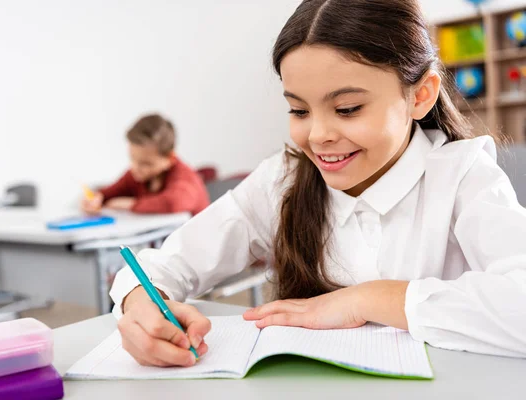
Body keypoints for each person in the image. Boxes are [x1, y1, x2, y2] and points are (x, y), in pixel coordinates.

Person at [109, 0, 526, 368]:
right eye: (299, 110)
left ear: (420, 96)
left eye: (347, 108)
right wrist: (140, 305)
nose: (318, 135)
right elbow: (165, 264)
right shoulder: (284, 179)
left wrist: (365, 299)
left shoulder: (462, 175)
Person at [81, 113, 209, 216]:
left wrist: (132, 204)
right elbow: (110, 192)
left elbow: (174, 202)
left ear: (170, 158)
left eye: (146, 164)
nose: (135, 168)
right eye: (132, 159)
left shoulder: (185, 177)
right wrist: (97, 199)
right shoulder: (136, 175)